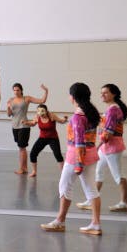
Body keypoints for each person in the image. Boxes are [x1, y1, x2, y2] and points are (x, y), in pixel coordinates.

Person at [40, 82, 102, 235]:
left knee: (64, 186)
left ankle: (60, 221)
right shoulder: (91, 113)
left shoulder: (77, 117)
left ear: (73, 97)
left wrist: (79, 164)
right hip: (91, 154)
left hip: (76, 157)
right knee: (91, 190)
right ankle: (95, 224)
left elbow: (79, 142)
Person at [77, 83, 127, 212]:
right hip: (105, 148)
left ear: (114, 94)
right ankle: (91, 200)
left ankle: (124, 203)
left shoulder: (113, 109)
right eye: (101, 92)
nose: (102, 95)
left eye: (105, 92)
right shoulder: (110, 109)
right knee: (98, 172)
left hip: (112, 147)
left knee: (118, 174)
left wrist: (97, 146)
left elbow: (109, 132)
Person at [6, 82, 49, 174]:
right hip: (14, 126)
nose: (16, 92)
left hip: (24, 125)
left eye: (17, 90)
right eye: (14, 90)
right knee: (21, 147)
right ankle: (24, 168)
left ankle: (22, 168)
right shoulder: (11, 100)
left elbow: (42, 101)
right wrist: (8, 107)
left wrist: (46, 91)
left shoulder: (26, 98)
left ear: (21, 90)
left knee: (22, 147)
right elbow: (9, 114)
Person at [24, 104, 66, 178]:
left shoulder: (51, 116)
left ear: (46, 111)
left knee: (58, 155)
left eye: (43, 112)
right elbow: (33, 123)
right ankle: (34, 171)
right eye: (39, 112)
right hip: (42, 138)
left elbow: (61, 121)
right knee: (33, 153)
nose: (41, 114)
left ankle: (63, 173)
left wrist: (64, 119)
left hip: (53, 138)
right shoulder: (38, 117)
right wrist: (26, 123)